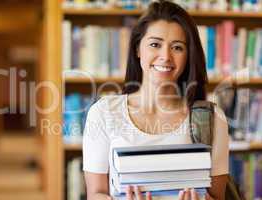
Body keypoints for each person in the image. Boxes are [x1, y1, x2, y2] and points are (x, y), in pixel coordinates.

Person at [82, 0, 229, 199]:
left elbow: (217, 197)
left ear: (188, 56)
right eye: (155, 44)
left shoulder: (212, 118)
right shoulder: (103, 112)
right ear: (137, 49)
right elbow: (96, 194)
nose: (165, 56)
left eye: (177, 47)